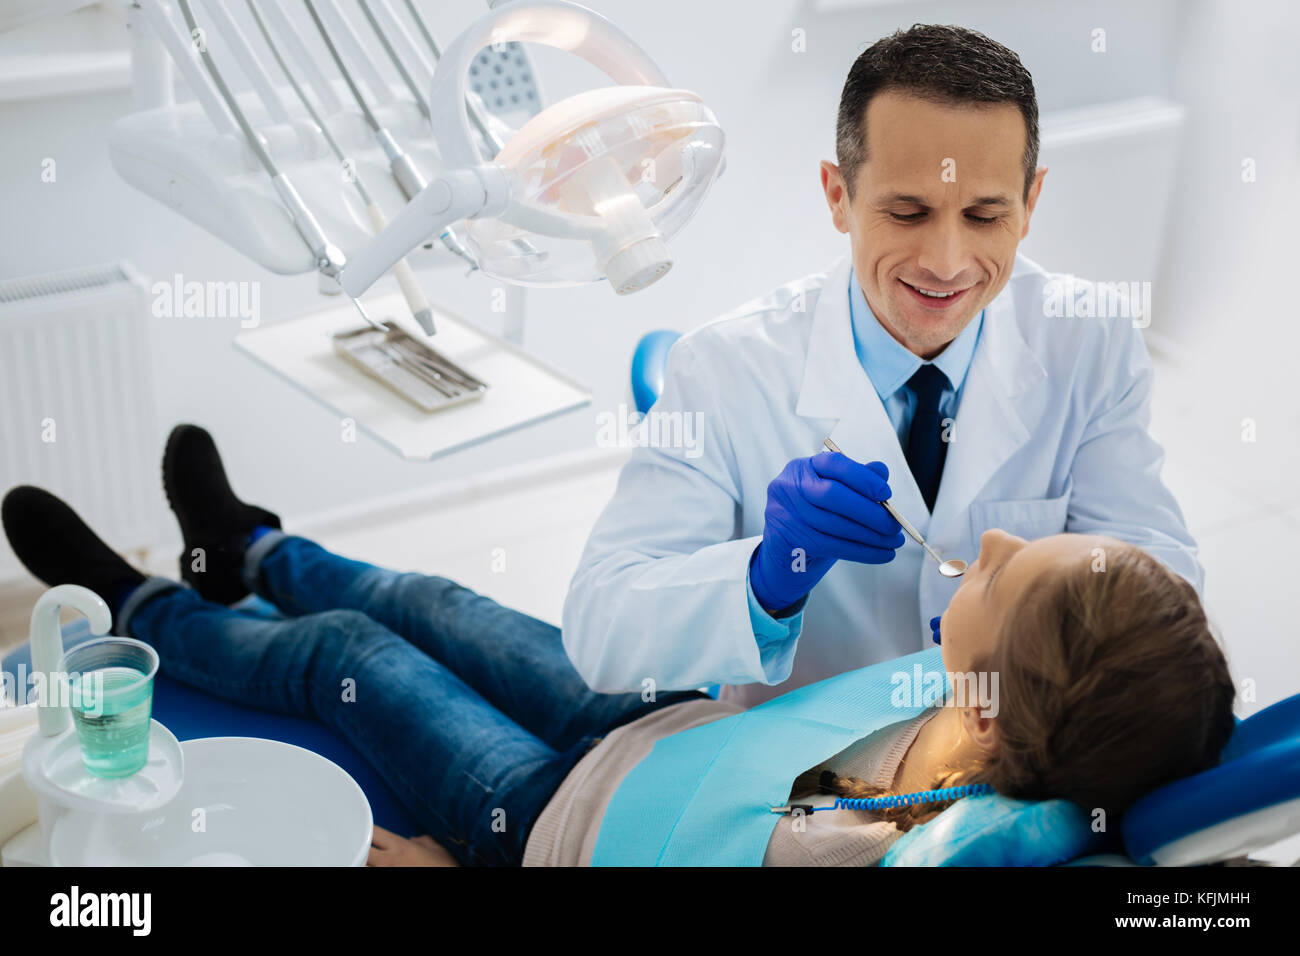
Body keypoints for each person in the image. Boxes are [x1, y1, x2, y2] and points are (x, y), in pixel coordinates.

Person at [1, 426, 1234, 866]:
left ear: (993, 706)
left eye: (1019, 568)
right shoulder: (976, 683)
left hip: (538, 822)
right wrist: (776, 564)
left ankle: (131, 600)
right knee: (429, 598)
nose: (1004, 535)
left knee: (352, 657)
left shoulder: (871, 848)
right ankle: (245, 547)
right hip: (649, 723)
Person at [563, 24, 1202, 707]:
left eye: (986, 216)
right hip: (797, 774)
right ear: (838, 197)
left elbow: (1160, 581)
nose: (947, 262)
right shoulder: (722, 371)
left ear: (1031, 202)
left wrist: (1037, 632)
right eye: (907, 211)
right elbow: (601, 631)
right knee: (434, 620)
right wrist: (764, 577)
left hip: (1006, 743)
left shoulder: (1091, 342)